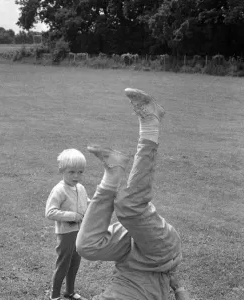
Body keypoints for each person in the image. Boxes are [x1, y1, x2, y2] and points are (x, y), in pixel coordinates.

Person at [76, 88, 190, 300]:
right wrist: (179, 288)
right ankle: (150, 124)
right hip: (161, 257)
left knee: (86, 247)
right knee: (129, 206)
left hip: (129, 259)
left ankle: (113, 172)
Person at [46, 149, 89, 300]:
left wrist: (97, 204)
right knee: (63, 264)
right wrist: (72, 216)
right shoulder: (59, 190)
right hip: (66, 234)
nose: (76, 176)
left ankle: (70, 292)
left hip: (80, 233)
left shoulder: (81, 188)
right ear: (61, 170)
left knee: (75, 263)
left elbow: (86, 203)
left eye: (80, 172)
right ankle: (55, 295)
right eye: (71, 172)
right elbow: (50, 212)